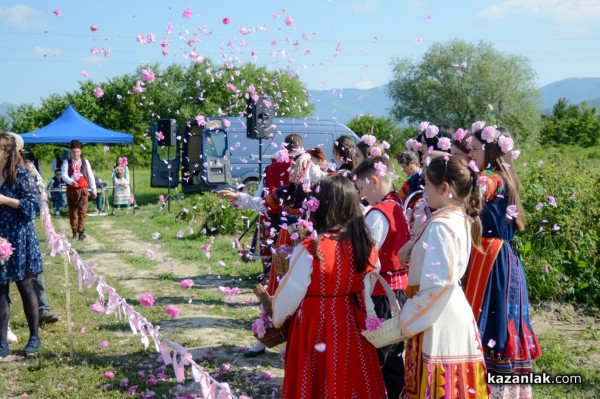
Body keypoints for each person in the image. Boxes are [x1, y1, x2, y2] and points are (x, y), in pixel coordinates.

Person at [272, 175, 386, 399]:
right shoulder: (365, 245)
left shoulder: (311, 248)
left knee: (317, 381)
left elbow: (290, 294)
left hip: (315, 325)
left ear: (320, 206)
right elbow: (368, 285)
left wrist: (277, 317)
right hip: (353, 322)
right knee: (351, 380)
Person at [397, 155, 489, 398]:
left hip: (437, 315)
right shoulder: (456, 218)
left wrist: (405, 319)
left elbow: (438, 285)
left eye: (427, 183)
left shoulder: (441, 225)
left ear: (445, 188)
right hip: (445, 311)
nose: (424, 189)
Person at [464, 124, 541, 399]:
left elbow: (480, 189)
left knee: (492, 325)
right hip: (501, 259)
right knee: (499, 324)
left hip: (492, 264)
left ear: (490, 150)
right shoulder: (506, 176)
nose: (470, 155)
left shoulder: (493, 180)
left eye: (474, 149)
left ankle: (494, 390)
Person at [353, 156, 411, 399]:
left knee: (381, 358)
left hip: (381, 293)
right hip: (398, 290)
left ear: (374, 181)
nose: (362, 194)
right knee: (394, 357)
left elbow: (366, 257)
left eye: (361, 188)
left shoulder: (378, 214)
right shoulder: (396, 205)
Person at [0, 132, 44, 357]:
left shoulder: (22, 174)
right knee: (0, 291)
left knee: (26, 288)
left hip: (20, 238)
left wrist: (5, 200)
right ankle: (2, 342)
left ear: (7, 152)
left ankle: (34, 337)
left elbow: (33, 207)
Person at [9, 132, 60, 326]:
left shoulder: (26, 170)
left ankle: (42, 309)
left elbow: (39, 191)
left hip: (23, 228)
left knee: (32, 272)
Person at [62, 140, 97, 240]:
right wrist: (70, 181)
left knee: (83, 211)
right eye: (73, 152)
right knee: (73, 211)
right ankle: (74, 232)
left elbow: (90, 176)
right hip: (71, 190)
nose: (75, 154)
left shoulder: (85, 162)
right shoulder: (66, 162)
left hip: (83, 189)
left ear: (80, 152)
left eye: (77, 152)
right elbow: (64, 175)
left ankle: (80, 231)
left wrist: (93, 189)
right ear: (70, 151)